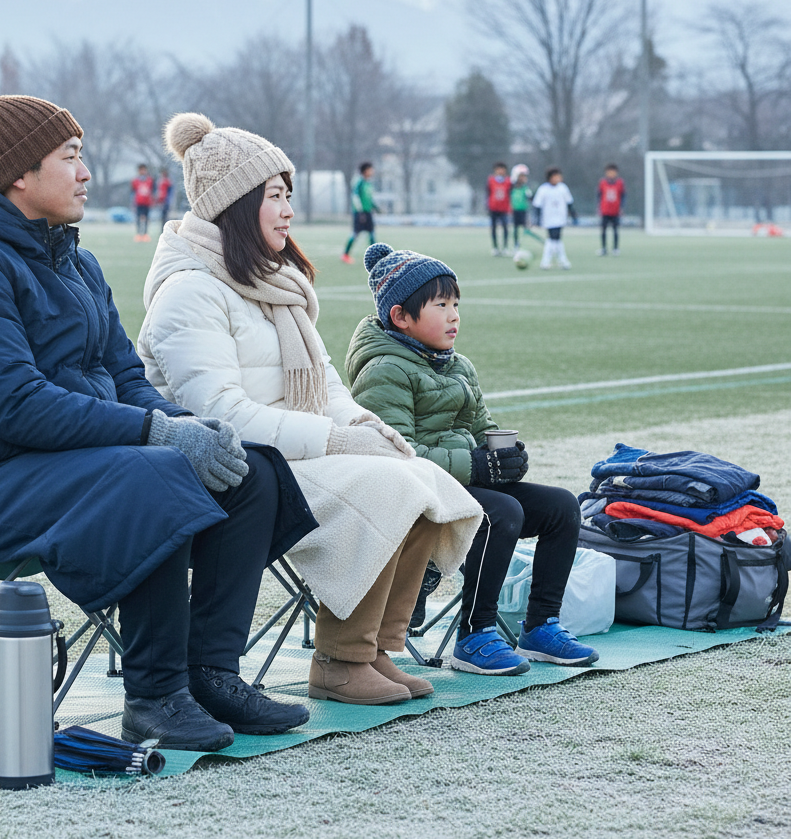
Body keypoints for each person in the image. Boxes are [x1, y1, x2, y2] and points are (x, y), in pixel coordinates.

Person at [0, 95, 317, 752]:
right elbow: (16, 406)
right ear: (18, 176)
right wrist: (157, 436)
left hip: (70, 466)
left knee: (252, 469)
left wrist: (185, 424)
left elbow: (126, 378)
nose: (87, 172)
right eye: (71, 158)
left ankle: (211, 675)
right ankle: (155, 697)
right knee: (153, 474)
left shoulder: (76, 263)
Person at [139, 113, 482, 706]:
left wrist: (360, 425)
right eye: (276, 196)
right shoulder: (191, 289)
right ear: (238, 203)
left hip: (292, 450)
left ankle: (374, 647)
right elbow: (222, 416)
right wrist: (336, 440)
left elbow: (324, 380)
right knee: (387, 486)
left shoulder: (272, 281)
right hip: (238, 469)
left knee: (423, 475)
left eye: (288, 195)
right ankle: (339, 661)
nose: (289, 209)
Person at [345, 243, 599, 675]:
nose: (454, 315)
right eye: (440, 305)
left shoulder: (456, 365)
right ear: (400, 317)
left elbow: (481, 424)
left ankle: (540, 626)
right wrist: (477, 465)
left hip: (460, 481)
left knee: (561, 506)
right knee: (500, 511)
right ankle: (476, 635)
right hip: (416, 493)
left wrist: (507, 457)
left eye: (456, 304)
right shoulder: (384, 368)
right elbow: (395, 453)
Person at [532, 167, 576, 270]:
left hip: (560, 218)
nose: (559, 178)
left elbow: (569, 202)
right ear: (550, 177)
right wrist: (536, 220)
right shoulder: (543, 189)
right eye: (556, 176)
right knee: (553, 239)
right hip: (549, 218)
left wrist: (573, 215)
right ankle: (551, 261)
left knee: (556, 239)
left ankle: (557, 261)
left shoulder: (563, 188)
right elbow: (537, 205)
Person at [341, 162, 377, 264]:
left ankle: (374, 256)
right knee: (355, 233)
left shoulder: (368, 183)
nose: (372, 171)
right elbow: (355, 197)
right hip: (360, 213)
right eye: (371, 169)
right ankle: (345, 255)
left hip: (368, 212)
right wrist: (360, 212)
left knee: (372, 234)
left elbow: (369, 199)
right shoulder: (359, 182)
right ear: (365, 170)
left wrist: (376, 208)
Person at [597, 163, 625, 256]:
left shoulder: (620, 183)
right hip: (605, 210)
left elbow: (623, 196)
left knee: (615, 230)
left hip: (615, 211)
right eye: (609, 172)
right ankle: (604, 248)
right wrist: (599, 207)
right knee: (603, 230)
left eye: (613, 172)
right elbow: (599, 195)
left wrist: (622, 207)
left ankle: (615, 248)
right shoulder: (602, 182)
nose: (611, 174)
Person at [486, 162, 511, 256]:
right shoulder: (491, 180)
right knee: (493, 228)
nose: (500, 171)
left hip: (504, 208)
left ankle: (505, 248)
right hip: (493, 208)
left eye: (502, 169)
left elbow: (510, 193)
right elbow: (488, 193)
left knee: (505, 228)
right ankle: (495, 248)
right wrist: (487, 206)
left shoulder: (508, 181)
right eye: (498, 169)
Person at [509, 164, 532, 250]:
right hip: (514, 211)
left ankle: (523, 245)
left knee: (525, 228)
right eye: (521, 176)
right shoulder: (511, 188)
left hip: (523, 210)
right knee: (515, 228)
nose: (523, 178)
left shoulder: (525, 188)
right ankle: (515, 245)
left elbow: (530, 198)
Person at [131, 163, 155, 241]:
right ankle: (138, 234)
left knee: (147, 219)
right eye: (141, 170)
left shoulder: (150, 180)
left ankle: (145, 234)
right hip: (138, 202)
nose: (142, 171)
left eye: (144, 170)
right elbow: (133, 191)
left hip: (147, 202)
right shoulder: (135, 180)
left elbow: (152, 190)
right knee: (138, 218)